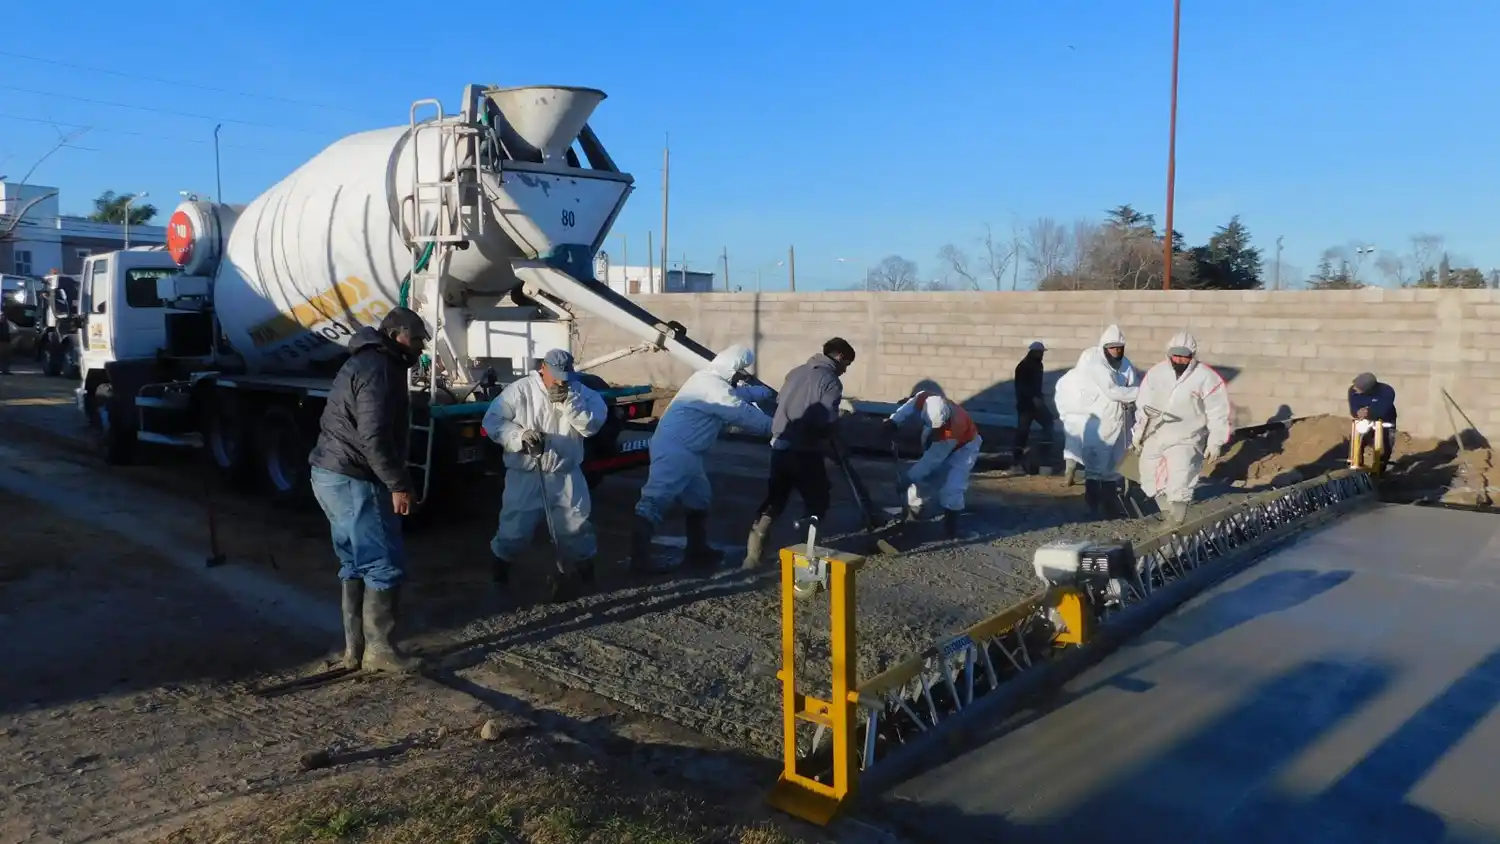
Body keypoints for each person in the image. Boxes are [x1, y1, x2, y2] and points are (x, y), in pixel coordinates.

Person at [308, 307, 429, 674]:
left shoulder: (366, 362)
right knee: (383, 562)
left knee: (354, 562)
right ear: (395, 335)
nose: (421, 346)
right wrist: (398, 484)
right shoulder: (379, 368)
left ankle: (355, 650)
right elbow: (373, 435)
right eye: (417, 338)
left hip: (330, 473)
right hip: (353, 478)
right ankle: (380, 651)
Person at [631, 345, 774, 573]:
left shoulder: (707, 380)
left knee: (699, 499)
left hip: (687, 452)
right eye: (741, 372)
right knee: (653, 502)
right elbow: (739, 411)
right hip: (675, 451)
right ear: (732, 369)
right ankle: (638, 563)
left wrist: (760, 393)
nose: (741, 377)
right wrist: (776, 426)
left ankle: (697, 550)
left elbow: (734, 396)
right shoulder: (712, 387)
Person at [484, 348, 607, 602]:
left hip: (565, 474)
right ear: (543, 368)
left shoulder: (581, 393)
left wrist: (568, 403)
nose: (561, 382)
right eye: (556, 376)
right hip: (526, 475)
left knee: (576, 528)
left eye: (566, 376)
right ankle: (499, 577)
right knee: (514, 531)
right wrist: (519, 436)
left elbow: (591, 427)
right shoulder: (520, 391)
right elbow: (492, 421)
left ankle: (586, 578)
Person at [743, 337, 856, 569]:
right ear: (840, 357)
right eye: (847, 365)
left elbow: (780, 403)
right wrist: (836, 440)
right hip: (805, 449)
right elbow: (824, 419)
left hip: (780, 445)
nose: (845, 371)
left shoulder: (795, 373)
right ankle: (808, 564)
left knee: (775, 500)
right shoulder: (831, 381)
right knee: (817, 502)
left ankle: (752, 559)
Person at [1131, 331, 1231, 528]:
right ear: (1169, 354)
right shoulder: (1156, 373)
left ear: (1192, 356)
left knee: (1180, 477)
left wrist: (1215, 441)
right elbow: (1143, 405)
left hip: (1187, 436)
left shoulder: (1205, 377)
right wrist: (1138, 433)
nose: (1179, 360)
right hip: (1156, 432)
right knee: (1149, 477)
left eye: (1184, 356)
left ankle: (1176, 520)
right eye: (1176, 355)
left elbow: (1217, 411)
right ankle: (1168, 515)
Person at [1058, 326, 1139, 517]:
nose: (1116, 351)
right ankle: (1093, 504)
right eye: (1112, 348)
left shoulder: (1126, 365)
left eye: (1119, 347)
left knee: (1114, 464)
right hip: (1100, 423)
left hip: (1121, 420)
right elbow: (1113, 391)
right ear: (1104, 347)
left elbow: (1132, 385)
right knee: (1096, 463)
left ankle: (1110, 504)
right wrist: (1142, 393)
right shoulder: (1097, 365)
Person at [882, 390, 982, 539]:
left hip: (965, 448)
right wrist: (895, 420)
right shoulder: (926, 397)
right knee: (921, 476)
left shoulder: (954, 427)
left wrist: (907, 478)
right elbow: (909, 406)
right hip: (936, 436)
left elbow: (931, 461)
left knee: (953, 485)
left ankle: (951, 530)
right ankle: (914, 511)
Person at [1012, 341, 1052, 470]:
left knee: (1048, 423)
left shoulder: (1038, 364)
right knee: (1023, 431)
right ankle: (1017, 461)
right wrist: (1035, 399)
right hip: (1026, 404)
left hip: (1035, 402)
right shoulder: (1024, 366)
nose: (1042, 355)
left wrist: (1040, 397)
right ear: (1033, 352)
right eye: (1040, 352)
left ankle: (1042, 454)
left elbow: (1037, 385)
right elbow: (1022, 387)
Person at [1348, 372, 1397, 473]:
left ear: (1368, 389)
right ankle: (1356, 466)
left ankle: (1380, 470)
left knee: (1385, 446)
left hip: (1385, 420)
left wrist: (1370, 412)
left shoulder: (1386, 391)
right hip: (1364, 420)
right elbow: (1353, 408)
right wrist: (1357, 412)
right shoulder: (1352, 391)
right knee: (1357, 443)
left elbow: (1383, 409)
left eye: (1358, 388)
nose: (1354, 389)